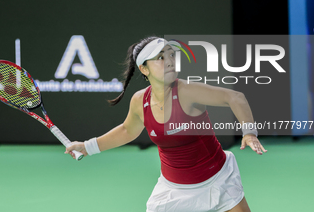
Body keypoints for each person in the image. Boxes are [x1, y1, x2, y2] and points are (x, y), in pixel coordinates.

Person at [66, 36, 267, 212]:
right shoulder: (139, 101)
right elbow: (128, 130)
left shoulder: (188, 91)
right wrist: (87, 147)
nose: (170, 61)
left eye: (171, 55)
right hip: (173, 190)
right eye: (161, 58)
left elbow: (235, 97)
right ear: (144, 69)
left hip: (218, 180)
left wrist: (249, 133)